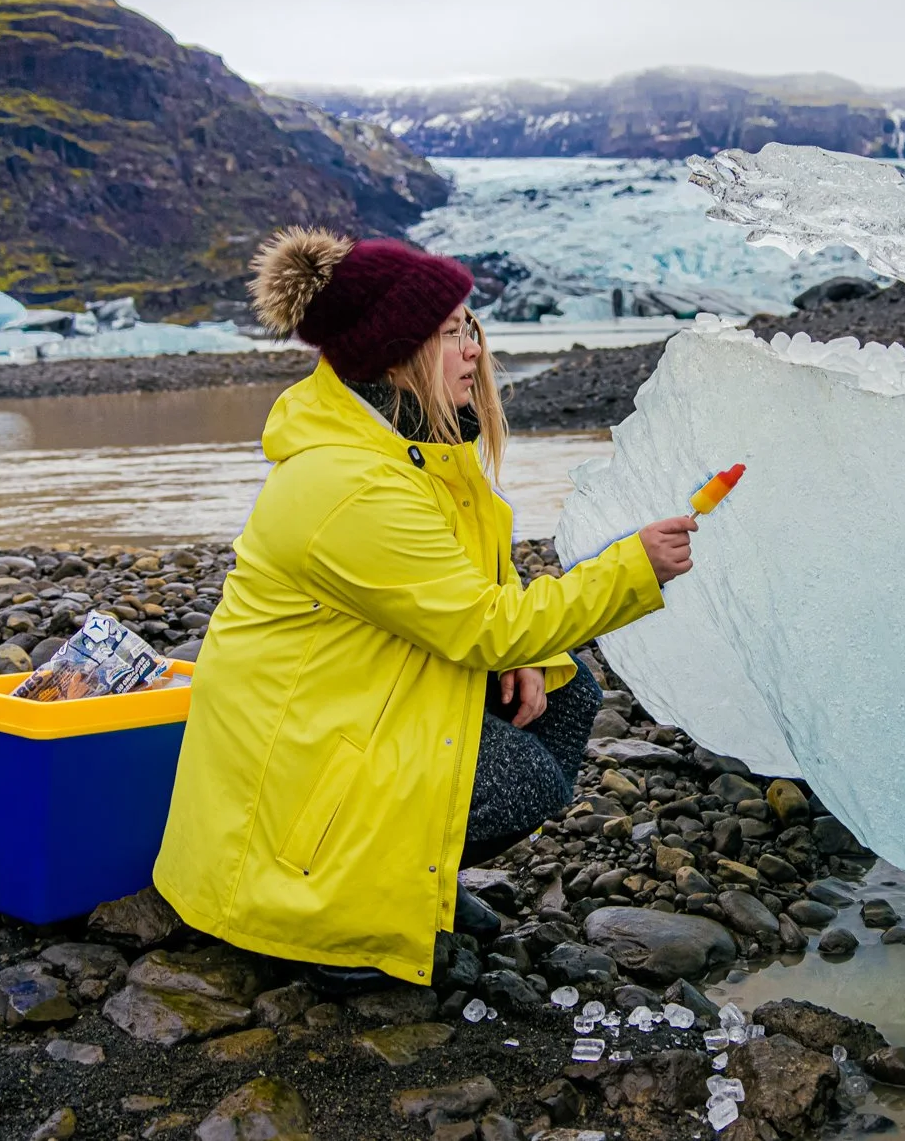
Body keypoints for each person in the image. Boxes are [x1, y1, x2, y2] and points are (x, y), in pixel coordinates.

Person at [153, 228, 697, 991]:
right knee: (522, 774)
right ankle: (322, 925)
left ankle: (407, 886)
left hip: (348, 718)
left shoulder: (415, 450)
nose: (474, 348)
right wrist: (633, 567)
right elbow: (485, 624)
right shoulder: (349, 486)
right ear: (396, 354)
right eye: (450, 333)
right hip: (301, 789)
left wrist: (534, 657)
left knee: (567, 692)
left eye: (469, 326)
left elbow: (482, 588)